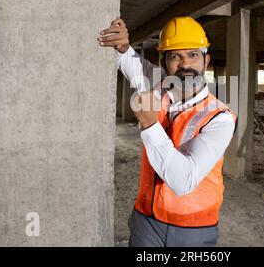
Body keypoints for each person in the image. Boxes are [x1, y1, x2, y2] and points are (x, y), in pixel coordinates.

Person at [98, 16, 237, 247]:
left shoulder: (220, 118)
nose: (185, 64)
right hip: (146, 220)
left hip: (192, 229)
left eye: (193, 55)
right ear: (164, 62)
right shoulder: (160, 85)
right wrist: (122, 46)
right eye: (175, 56)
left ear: (206, 60)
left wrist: (150, 126)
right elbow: (132, 62)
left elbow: (184, 182)